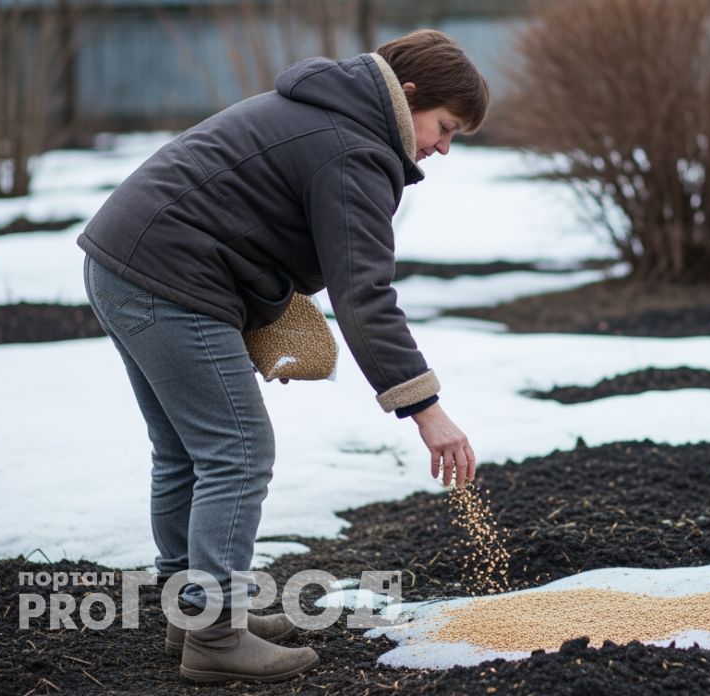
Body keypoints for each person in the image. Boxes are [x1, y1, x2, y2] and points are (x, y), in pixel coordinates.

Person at [78, 30, 487, 683]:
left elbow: (251, 216)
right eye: (446, 127)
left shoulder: (328, 113)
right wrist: (426, 408)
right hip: (168, 279)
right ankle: (213, 636)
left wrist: (269, 316)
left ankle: (195, 611)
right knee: (236, 452)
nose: (442, 147)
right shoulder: (355, 148)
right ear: (408, 97)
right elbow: (365, 294)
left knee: (187, 451)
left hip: (126, 264)